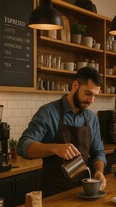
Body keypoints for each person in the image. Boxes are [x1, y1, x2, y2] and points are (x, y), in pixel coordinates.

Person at [17, 67, 107, 197]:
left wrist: (99, 171)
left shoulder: (92, 118)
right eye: (88, 93)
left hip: (83, 191)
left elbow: (98, 152)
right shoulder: (48, 112)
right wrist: (54, 148)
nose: (91, 100)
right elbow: (23, 145)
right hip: (54, 193)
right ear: (75, 85)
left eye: (95, 96)